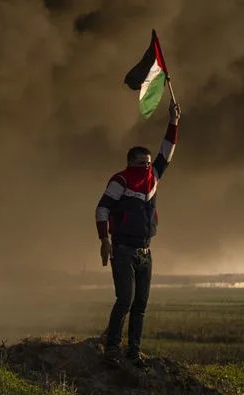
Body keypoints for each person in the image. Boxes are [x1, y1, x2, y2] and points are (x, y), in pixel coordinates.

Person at [95, 98, 181, 368]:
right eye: (140, 162)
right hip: (122, 250)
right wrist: (104, 241)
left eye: (147, 162)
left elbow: (166, 151)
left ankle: (133, 351)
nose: (145, 166)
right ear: (130, 162)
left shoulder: (153, 178)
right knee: (125, 300)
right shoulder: (120, 181)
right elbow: (101, 210)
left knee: (141, 304)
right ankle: (111, 348)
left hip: (145, 251)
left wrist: (173, 122)